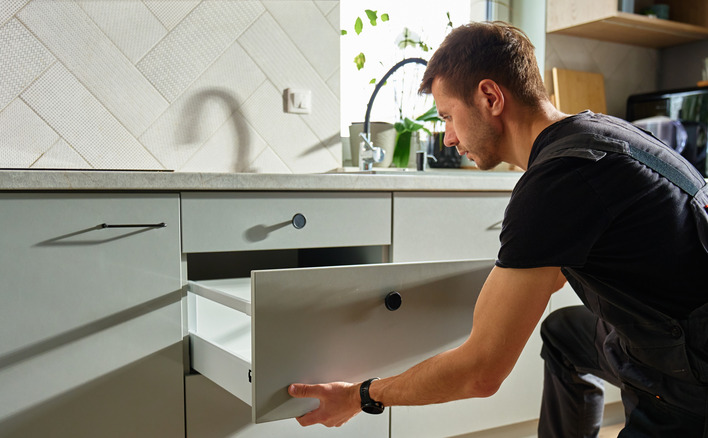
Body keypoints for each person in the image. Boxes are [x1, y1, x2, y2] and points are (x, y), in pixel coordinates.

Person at [288, 21, 708, 436]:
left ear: (490, 96)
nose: (448, 138)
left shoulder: (558, 182)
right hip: (679, 329)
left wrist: (361, 395)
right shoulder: (597, 133)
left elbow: (481, 373)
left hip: (689, 373)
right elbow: (554, 274)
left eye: (449, 116)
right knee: (563, 334)